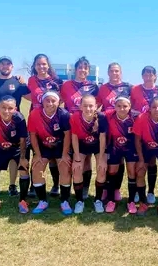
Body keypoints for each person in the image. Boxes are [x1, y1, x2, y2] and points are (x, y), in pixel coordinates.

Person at [0, 56, 31, 196]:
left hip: (16, 126)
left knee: (16, 157)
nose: (5, 66)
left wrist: (25, 83)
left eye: (8, 64)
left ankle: (12, 186)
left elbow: (33, 98)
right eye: (2, 64)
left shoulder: (18, 82)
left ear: (12, 66)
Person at [61, 56, 99, 200]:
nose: (82, 70)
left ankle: (84, 188)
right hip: (69, 126)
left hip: (86, 126)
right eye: (80, 67)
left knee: (86, 158)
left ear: (88, 70)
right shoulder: (66, 85)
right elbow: (60, 101)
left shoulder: (93, 87)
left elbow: (96, 106)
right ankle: (66, 187)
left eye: (85, 68)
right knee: (70, 157)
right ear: (75, 69)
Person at [27, 91, 72, 214]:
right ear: (42, 101)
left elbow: (67, 135)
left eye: (53, 101)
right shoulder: (35, 114)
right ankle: (42, 201)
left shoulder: (64, 114)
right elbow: (33, 135)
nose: (50, 103)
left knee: (65, 168)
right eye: (47, 100)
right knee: (36, 169)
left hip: (60, 146)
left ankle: (64, 201)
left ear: (59, 102)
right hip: (43, 146)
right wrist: (37, 154)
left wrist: (64, 154)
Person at [27, 54, 63, 197]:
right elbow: (28, 95)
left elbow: (61, 99)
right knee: (37, 153)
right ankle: (33, 185)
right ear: (34, 66)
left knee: (53, 153)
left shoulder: (57, 81)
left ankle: (56, 185)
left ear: (48, 65)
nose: (41, 67)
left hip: (53, 121)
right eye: (38, 64)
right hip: (35, 120)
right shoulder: (31, 80)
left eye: (44, 64)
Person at [130, 66, 158, 204]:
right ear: (142, 76)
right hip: (141, 127)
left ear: (155, 76)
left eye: (151, 74)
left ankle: (150, 191)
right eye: (146, 74)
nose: (148, 76)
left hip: (157, 129)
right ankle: (141, 192)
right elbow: (131, 106)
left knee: (152, 162)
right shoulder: (135, 89)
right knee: (142, 162)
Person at [97, 62, 133, 202]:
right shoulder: (103, 88)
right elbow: (98, 105)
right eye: (112, 71)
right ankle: (106, 188)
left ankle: (116, 189)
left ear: (121, 72)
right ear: (108, 72)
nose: (114, 73)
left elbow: (132, 106)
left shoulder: (129, 87)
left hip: (124, 127)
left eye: (117, 71)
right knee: (110, 159)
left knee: (122, 161)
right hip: (109, 127)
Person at [133, 96, 158, 216]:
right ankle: (143, 202)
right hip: (146, 147)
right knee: (140, 172)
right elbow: (137, 141)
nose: (157, 109)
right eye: (154, 107)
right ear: (149, 109)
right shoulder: (141, 118)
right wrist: (141, 160)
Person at [70, 95, 108, 214]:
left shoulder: (101, 117)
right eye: (85, 106)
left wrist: (102, 158)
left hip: (97, 146)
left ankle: (98, 200)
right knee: (76, 169)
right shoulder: (75, 117)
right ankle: (79, 201)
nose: (88, 108)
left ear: (96, 106)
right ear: (80, 106)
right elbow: (74, 137)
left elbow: (102, 139)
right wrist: (76, 157)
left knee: (102, 169)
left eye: (91, 106)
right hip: (82, 145)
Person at [104, 97, 140, 214]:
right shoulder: (109, 115)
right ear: (114, 106)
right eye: (119, 106)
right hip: (114, 147)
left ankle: (131, 201)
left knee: (131, 172)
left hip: (130, 147)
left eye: (125, 106)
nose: (122, 108)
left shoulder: (136, 116)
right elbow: (95, 114)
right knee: (112, 172)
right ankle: (111, 200)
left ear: (130, 106)